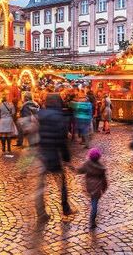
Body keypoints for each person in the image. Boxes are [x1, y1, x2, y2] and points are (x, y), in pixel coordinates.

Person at [36, 93, 73, 224]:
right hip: (53, 156)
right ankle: (65, 207)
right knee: (62, 183)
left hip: (41, 154)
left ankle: (40, 212)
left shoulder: (40, 114)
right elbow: (62, 140)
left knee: (40, 186)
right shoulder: (60, 117)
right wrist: (67, 158)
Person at [76, 148, 108, 230]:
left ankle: (92, 220)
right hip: (97, 188)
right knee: (94, 204)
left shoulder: (87, 164)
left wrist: (72, 167)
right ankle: (92, 221)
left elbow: (80, 171)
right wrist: (104, 188)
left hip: (89, 187)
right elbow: (104, 179)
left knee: (93, 201)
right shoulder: (101, 168)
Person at [0, 92, 16, 156]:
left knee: (3, 134)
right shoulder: (11, 104)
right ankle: (9, 148)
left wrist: (0, 117)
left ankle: (3, 148)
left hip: (2, 120)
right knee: (9, 134)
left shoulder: (0, 105)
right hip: (9, 120)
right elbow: (13, 113)